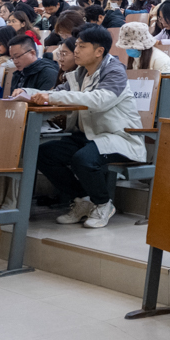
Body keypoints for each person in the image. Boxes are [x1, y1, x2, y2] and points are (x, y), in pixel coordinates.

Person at [18, 26, 145, 229]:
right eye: (76, 45)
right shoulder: (79, 74)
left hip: (118, 136)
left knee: (83, 159)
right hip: (88, 135)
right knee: (43, 154)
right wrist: (26, 92)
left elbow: (100, 100)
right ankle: (83, 200)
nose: (75, 50)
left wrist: (52, 97)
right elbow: (55, 92)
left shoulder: (115, 71)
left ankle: (104, 204)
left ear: (99, 51)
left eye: (81, 46)